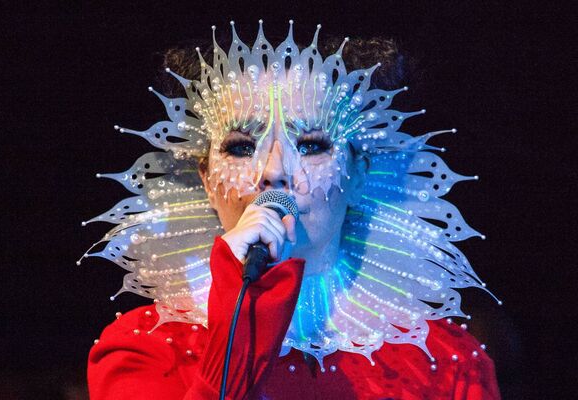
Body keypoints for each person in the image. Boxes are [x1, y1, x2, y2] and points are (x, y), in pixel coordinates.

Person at [83, 21, 501, 399]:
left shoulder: (446, 362)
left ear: (358, 173)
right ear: (208, 180)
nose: (275, 172)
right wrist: (241, 323)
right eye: (242, 147)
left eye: (313, 146)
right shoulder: (146, 347)